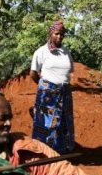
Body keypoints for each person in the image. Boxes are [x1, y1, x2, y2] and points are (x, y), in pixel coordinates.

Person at [30, 20, 75, 154]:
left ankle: (63, 151)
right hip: (48, 94)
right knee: (46, 123)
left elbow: (70, 71)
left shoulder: (66, 52)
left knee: (65, 122)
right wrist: (45, 87)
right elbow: (33, 73)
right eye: (56, 34)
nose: (59, 37)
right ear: (51, 33)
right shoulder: (41, 52)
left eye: (62, 34)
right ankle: (44, 151)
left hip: (64, 92)